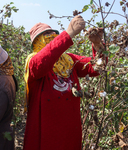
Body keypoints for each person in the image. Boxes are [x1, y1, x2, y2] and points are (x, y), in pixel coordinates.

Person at [23, 15, 104, 150]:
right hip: (46, 131)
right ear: (37, 41)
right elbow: (45, 59)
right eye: (46, 34)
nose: (52, 35)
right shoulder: (33, 62)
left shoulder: (69, 60)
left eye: (54, 32)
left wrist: (97, 45)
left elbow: (97, 68)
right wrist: (69, 33)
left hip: (69, 129)